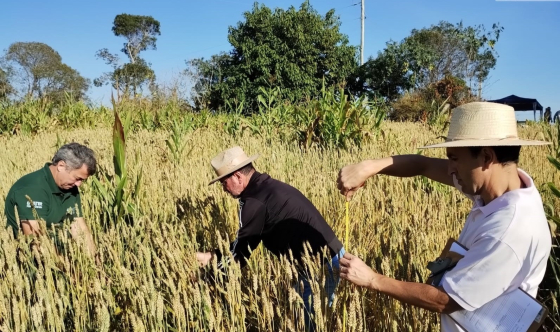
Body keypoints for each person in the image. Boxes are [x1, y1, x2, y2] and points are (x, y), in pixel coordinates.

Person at [336, 102, 552, 331]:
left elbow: (444, 300)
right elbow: (423, 165)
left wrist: (372, 279)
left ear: (487, 157)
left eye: (454, 158)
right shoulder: (504, 186)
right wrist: (369, 167)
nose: (449, 169)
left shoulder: (510, 230)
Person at [196, 146, 345, 330]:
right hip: (328, 258)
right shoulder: (266, 187)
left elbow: (240, 255)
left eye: (223, 182)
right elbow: (246, 241)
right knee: (302, 319)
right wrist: (213, 256)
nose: (223, 188)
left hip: (320, 266)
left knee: (309, 325)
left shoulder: (254, 202)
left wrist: (206, 277)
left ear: (237, 176)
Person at [4, 142, 97, 258]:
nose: (79, 184)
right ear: (61, 166)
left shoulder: (70, 187)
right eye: (77, 178)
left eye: (82, 180)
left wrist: (95, 264)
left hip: (57, 249)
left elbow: (79, 228)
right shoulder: (33, 188)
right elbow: (35, 239)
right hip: (27, 257)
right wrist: (65, 270)